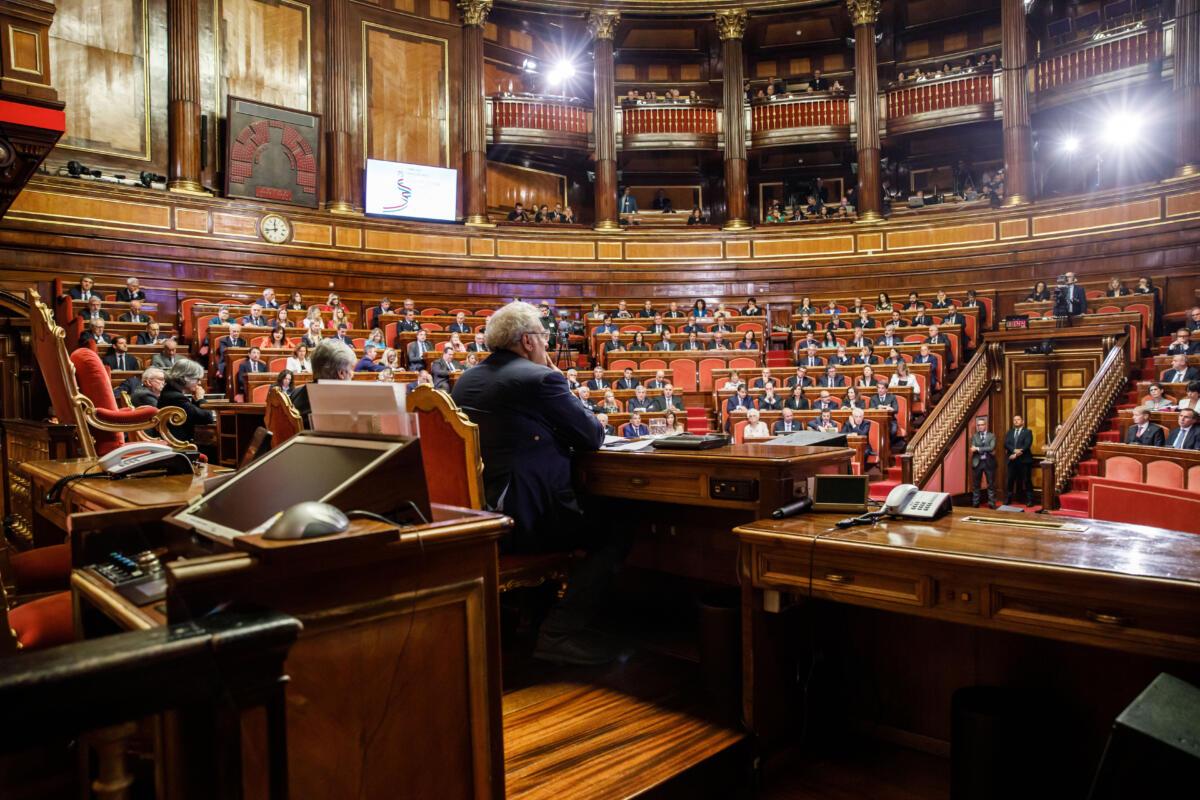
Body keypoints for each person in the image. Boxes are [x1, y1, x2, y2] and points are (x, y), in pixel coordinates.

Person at [450, 301, 613, 665]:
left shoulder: (468, 379)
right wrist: (562, 380)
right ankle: (559, 632)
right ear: (527, 341)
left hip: (482, 511)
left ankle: (536, 619)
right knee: (617, 525)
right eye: (543, 336)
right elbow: (592, 435)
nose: (546, 343)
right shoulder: (540, 378)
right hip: (524, 518)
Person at [290, 338, 356, 425]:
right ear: (341, 373)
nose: (352, 374)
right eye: (351, 369)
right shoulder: (343, 408)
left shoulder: (296, 393)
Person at [160, 359, 216, 442]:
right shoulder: (176, 398)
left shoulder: (170, 392)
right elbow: (207, 418)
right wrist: (201, 399)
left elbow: (194, 415)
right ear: (185, 378)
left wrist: (196, 400)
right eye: (197, 379)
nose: (199, 383)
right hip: (179, 446)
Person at [1003, 414, 1035, 506]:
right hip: (1012, 461)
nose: (1016, 421)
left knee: (1027, 480)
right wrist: (1014, 450)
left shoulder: (1028, 432)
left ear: (1022, 421)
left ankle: (1030, 500)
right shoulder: (1010, 432)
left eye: (1018, 419)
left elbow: (1027, 445)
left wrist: (1016, 454)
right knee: (1010, 480)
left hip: (1024, 461)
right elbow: (1006, 444)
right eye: (1014, 420)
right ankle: (1008, 499)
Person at [969, 416, 997, 508]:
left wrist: (978, 448)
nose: (980, 426)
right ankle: (975, 503)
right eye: (978, 425)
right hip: (977, 462)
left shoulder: (991, 435)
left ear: (985, 425)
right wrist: (985, 449)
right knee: (976, 485)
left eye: (982, 425)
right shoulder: (974, 436)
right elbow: (973, 449)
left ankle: (992, 504)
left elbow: (992, 447)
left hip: (989, 462)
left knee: (991, 484)